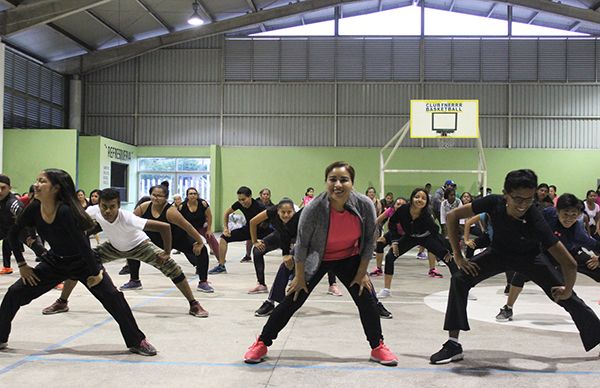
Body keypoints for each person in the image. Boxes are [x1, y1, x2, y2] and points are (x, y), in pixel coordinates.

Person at [430, 169, 600, 365]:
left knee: (567, 298)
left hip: (530, 258)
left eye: (529, 199)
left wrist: (567, 290)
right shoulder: (493, 202)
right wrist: (458, 257)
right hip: (498, 253)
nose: (523, 205)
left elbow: (568, 263)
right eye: (518, 199)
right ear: (505, 194)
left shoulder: (536, 219)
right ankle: (453, 345)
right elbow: (452, 216)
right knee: (459, 279)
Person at [243, 161, 398, 366]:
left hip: (349, 257)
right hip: (316, 257)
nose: (338, 184)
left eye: (344, 180)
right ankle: (262, 343)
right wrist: (299, 277)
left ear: (352, 183)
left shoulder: (364, 205)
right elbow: (302, 245)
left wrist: (362, 273)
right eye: (332, 179)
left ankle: (377, 347)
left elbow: (369, 240)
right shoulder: (314, 208)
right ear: (326, 182)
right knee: (292, 298)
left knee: (367, 298)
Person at [1, 169, 156, 356]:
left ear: (56, 188)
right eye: (37, 180)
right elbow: (13, 231)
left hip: (83, 262)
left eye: (42, 181)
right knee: (14, 293)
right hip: (54, 262)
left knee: (114, 299)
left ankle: (137, 341)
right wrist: (22, 265)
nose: (36, 184)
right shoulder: (35, 207)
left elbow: (82, 244)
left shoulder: (66, 212)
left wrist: (95, 272)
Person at [41, 187, 208, 318]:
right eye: (104, 207)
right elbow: (75, 220)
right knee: (79, 264)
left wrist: (166, 252)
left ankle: (194, 303)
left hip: (140, 245)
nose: (107, 211)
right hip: (113, 247)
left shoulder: (129, 218)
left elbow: (164, 227)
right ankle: (62, 302)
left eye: (112, 207)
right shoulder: (93, 211)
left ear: (118, 206)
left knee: (173, 268)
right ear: (99, 205)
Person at [496, 193, 600, 321]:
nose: (569, 219)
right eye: (565, 214)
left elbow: (596, 246)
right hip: (545, 252)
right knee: (520, 272)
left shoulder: (578, 232)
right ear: (557, 211)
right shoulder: (547, 215)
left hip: (570, 254)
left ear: (579, 215)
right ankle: (508, 308)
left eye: (574, 215)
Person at [125, 183, 214, 294]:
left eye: (159, 196)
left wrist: (200, 242)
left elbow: (188, 227)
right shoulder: (144, 207)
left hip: (177, 239)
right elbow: (131, 222)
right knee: (131, 246)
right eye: (153, 195)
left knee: (202, 250)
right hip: (155, 239)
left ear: (166, 198)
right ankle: (134, 280)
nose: (155, 198)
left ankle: (203, 282)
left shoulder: (171, 211)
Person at [377, 189, 455, 298]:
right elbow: (392, 223)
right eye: (417, 197)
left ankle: (462, 289)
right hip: (410, 237)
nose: (420, 200)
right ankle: (386, 290)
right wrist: (394, 241)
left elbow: (436, 232)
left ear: (426, 202)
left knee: (450, 259)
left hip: (427, 237)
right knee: (390, 256)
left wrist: (447, 250)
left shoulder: (427, 215)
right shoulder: (403, 210)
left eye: (423, 198)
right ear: (412, 198)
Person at [208, 187, 270, 274]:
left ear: (250, 196)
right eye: (239, 200)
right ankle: (221, 266)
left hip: (263, 230)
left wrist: (256, 240)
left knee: (283, 240)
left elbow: (267, 222)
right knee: (223, 238)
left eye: (243, 199)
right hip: (248, 229)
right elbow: (226, 213)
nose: (241, 202)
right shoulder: (239, 204)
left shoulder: (260, 206)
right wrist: (226, 228)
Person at [178, 187, 220, 262]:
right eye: (191, 194)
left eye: (195, 194)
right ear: (187, 196)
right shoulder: (182, 207)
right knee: (188, 244)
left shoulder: (203, 203)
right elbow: (179, 220)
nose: (193, 195)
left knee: (212, 239)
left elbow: (209, 216)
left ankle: (221, 260)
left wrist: (209, 229)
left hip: (202, 226)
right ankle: (196, 263)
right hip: (189, 228)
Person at [369, 197, 406, 277]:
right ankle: (378, 269)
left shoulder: (409, 213)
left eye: (402, 205)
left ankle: (432, 269)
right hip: (393, 233)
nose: (400, 206)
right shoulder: (390, 210)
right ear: (394, 206)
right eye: (398, 204)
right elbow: (377, 220)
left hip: (405, 236)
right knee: (379, 242)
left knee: (391, 254)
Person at [0, 175, 25, 275]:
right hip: (4, 229)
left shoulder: (13, 203)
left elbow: (24, 218)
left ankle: (59, 278)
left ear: (9, 188)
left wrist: (31, 235)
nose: (0, 191)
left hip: (19, 230)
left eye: (3, 188)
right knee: (6, 246)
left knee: (39, 249)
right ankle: (7, 267)